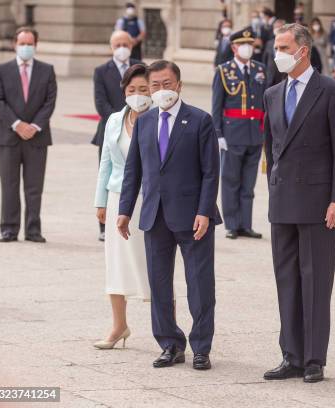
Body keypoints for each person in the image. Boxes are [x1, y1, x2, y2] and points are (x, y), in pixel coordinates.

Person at [263, 23, 335, 383]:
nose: (278, 54)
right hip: (283, 198)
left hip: (320, 203)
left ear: (303, 50)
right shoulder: (273, 93)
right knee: (286, 279)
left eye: (284, 47)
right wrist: (273, 185)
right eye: (276, 47)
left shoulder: (331, 91)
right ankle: (291, 355)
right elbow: (272, 147)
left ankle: (314, 357)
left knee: (315, 280)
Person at [117, 60, 221, 370]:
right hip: (154, 216)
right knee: (159, 284)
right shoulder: (145, 122)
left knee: (200, 285)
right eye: (155, 85)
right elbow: (133, 169)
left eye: (167, 83)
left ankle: (201, 347)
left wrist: (204, 210)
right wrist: (124, 210)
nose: (161, 90)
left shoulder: (200, 120)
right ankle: (170, 344)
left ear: (178, 85)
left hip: (193, 217)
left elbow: (210, 172)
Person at [93, 64, 153, 349]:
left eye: (144, 89)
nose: (138, 95)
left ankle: (167, 332)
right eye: (132, 90)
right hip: (119, 198)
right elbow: (106, 160)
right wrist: (100, 201)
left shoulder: (158, 118)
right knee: (115, 265)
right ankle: (119, 326)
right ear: (124, 92)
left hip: (150, 199)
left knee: (154, 266)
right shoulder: (115, 120)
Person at [0, 26, 57, 243]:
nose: (26, 47)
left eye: (30, 44)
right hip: (8, 137)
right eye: (22, 43)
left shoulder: (47, 70)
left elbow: (49, 102)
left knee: (34, 187)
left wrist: (34, 126)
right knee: (9, 185)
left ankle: (33, 229)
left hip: (37, 138)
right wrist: (18, 124)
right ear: (15, 44)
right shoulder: (3, 69)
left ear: (36, 46)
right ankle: (9, 229)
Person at [212, 28, 266, 240]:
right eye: (243, 44)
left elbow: (264, 102)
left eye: (251, 44)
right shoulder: (224, 71)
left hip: (255, 134)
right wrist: (218, 133)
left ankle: (246, 224)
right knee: (231, 180)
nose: (248, 48)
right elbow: (217, 105)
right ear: (234, 47)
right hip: (233, 133)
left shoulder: (260, 69)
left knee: (248, 183)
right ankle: (232, 224)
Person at [92, 30, 142, 241]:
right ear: (111, 47)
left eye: (125, 44)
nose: (122, 47)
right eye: (117, 44)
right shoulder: (102, 71)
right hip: (110, 129)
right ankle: (104, 226)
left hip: (139, 122)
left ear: (131, 45)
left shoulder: (141, 67)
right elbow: (100, 101)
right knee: (107, 169)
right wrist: (119, 120)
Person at [263, 19, 287, 88]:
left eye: (279, 27)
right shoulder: (269, 43)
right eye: (275, 27)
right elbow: (265, 59)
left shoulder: (288, 43)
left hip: (283, 76)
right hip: (271, 77)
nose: (277, 29)